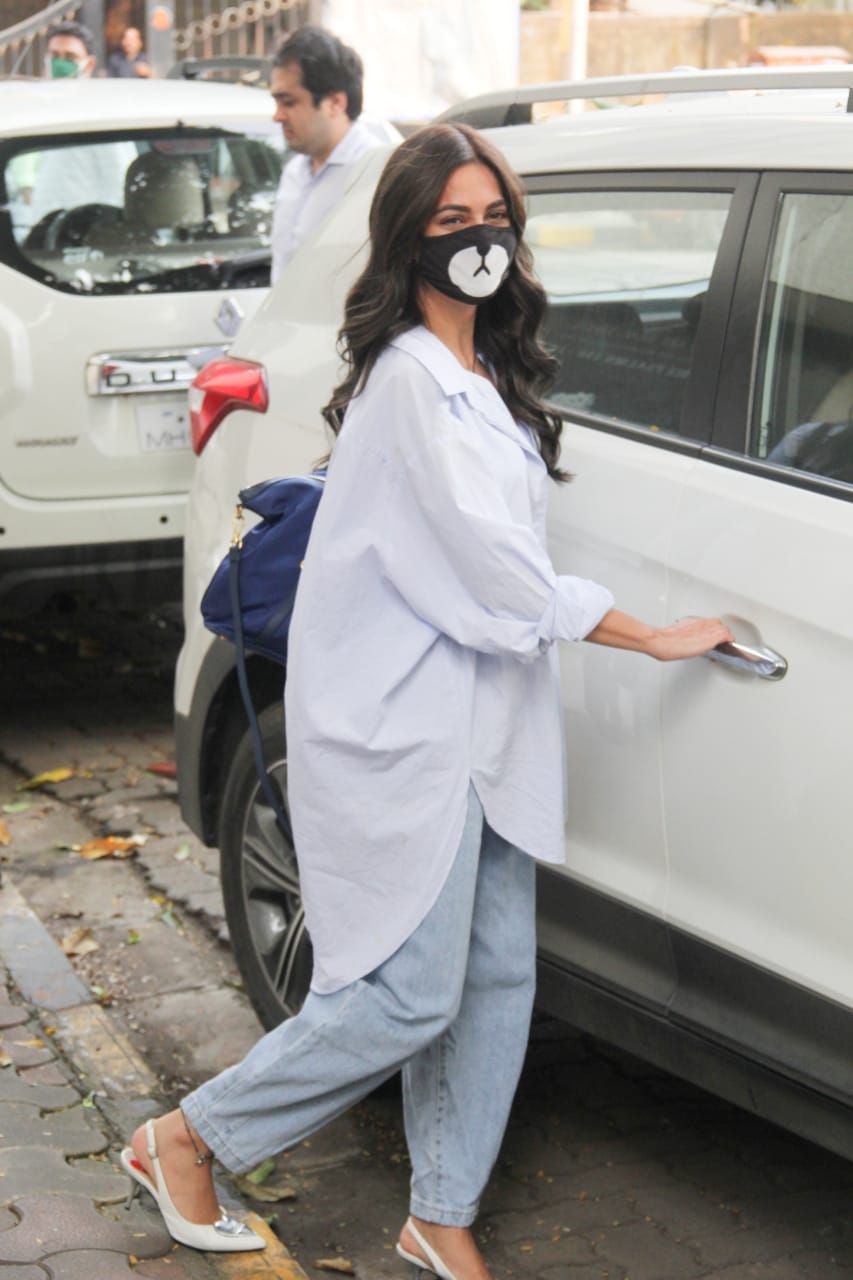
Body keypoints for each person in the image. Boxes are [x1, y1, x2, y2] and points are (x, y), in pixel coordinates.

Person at [121, 123, 733, 1277]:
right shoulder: (409, 381)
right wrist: (647, 631)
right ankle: (187, 1138)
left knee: (500, 973)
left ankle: (438, 1214)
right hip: (407, 724)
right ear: (408, 237)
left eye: (492, 215)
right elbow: (492, 570)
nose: (478, 238)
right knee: (407, 994)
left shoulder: (476, 369)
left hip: (483, 719)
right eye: (451, 221)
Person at [268, 25, 385, 283]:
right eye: (276, 103)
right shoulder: (294, 172)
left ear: (335, 103)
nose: (277, 116)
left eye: (289, 102)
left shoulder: (375, 172)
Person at [27, 21, 138, 236]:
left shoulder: (101, 115)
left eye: (70, 57)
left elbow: (118, 180)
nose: (60, 63)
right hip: (39, 234)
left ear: (88, 64)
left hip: (88, 234)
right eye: (54, 55)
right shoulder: (37, 111)